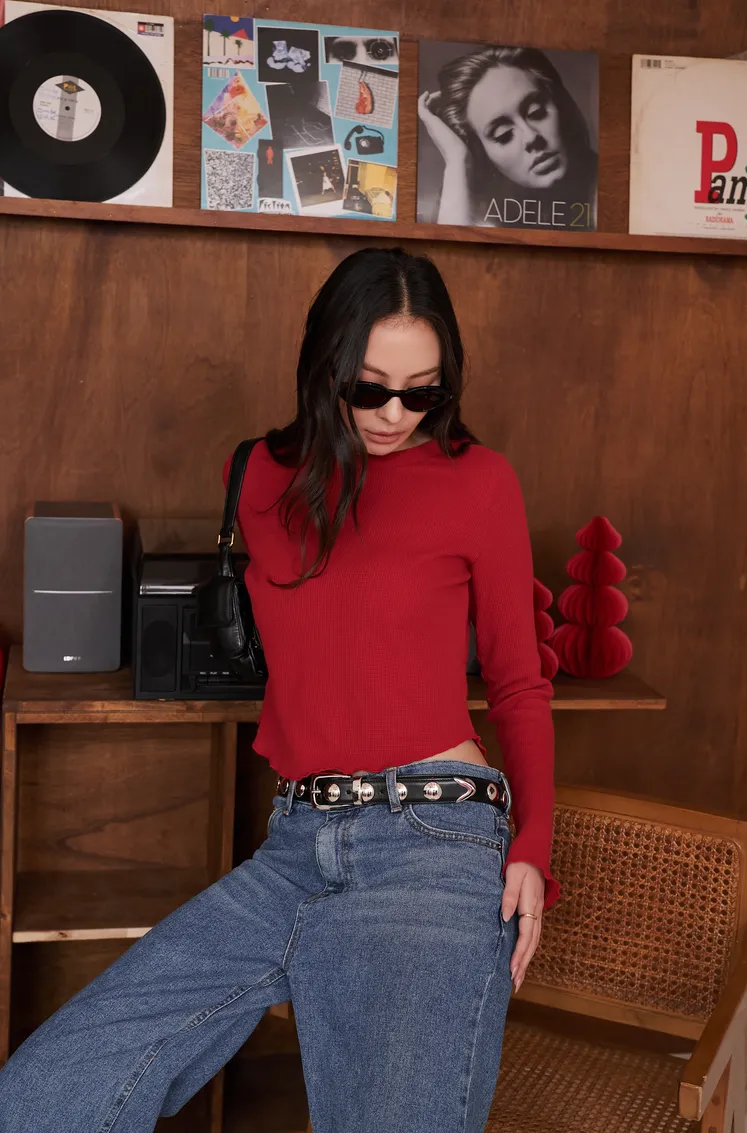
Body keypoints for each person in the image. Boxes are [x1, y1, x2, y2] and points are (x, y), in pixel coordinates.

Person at [0, 247, 560, 1133]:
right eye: (370, 388)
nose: (395, 414)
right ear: (325, 366)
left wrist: (532, 845)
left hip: (433, 840)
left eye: (423, 393)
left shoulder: (479, 481)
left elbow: (519, 681)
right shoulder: (259, 473)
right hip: (296, 840)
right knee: (46, 1090)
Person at [418, 44, 598, 229]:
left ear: (560, 104)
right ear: (482, 152)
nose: (531, 137)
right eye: (503, 135)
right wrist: (458, 159)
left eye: (536, 113)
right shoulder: (483, 213)